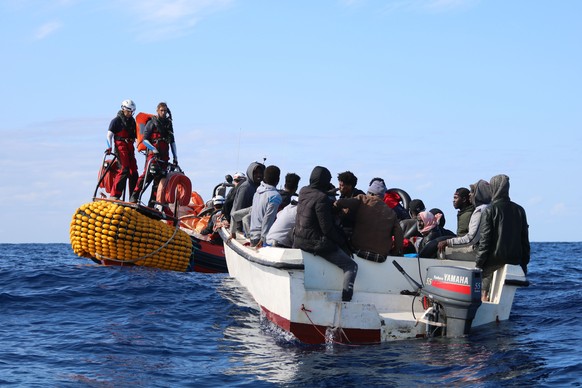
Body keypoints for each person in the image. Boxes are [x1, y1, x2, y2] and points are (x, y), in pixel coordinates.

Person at [294, 166, 358, 302]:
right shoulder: (322, 197)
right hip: (314, 243)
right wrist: (343, 244)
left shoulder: (303, 191)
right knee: (351, 266)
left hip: (298, 239)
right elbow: (327, 229)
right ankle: (346, 301)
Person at [476, 174, 530, 301]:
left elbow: (485, 241)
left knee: (483, 282)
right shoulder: (520, 210)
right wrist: (524, 265)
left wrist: (478, 264)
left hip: (493, 260)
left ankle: (484, 297)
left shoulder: (490, 210)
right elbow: (525, 241)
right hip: (514, 260)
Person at [334, 180, 404, 262]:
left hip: (359, 251)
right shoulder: (391, 212)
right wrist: (395, 252)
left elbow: (341, 202)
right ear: (382, 196)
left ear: (370, 192)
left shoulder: (363, 199)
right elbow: (399, 235)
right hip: (381, 257)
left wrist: (335, 206)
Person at [130, 102, 178, 205]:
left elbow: (172, 142)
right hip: (153, 155)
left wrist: (175, 157)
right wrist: (153, 149)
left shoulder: (169, 125)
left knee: (159, 180)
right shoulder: (152, 123)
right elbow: (145, 140)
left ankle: (152, 203)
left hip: (164, 156)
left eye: (165, 110)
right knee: (147, 176)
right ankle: (135, 196)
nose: (163, 112)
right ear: (157, 111)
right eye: (161, 110)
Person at [437, 179, 492, 255]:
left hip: (478, 251)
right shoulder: (491, 208)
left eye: (473, 191)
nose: (470, 194)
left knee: (439, 252)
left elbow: (470, 239)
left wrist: (448, 242)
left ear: (479, 194)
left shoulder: (479, 211)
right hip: (487, 250)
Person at [106, 99, 138, 200]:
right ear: (124, 109)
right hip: (120, 147)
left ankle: (133, 197)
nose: (130, 113)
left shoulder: (132, 122)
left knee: (134, 171)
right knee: (124, 169)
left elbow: (137, 137)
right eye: (129, 111)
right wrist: (109, 147)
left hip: (130, 147)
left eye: (132, 111)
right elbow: (109, 135)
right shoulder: (116, 121)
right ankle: (115, 195)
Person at [249, 165, 283, 247]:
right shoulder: (275, 196)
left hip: (252, 235)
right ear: (278, 179)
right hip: (261, 239)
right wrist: (263, 239)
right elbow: (268, 219)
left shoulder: (257, 192)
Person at [230, 162, 265, 237]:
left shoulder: (259, 187)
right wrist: (237, 230)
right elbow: (239, 208)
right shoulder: (246, 188)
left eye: (260, 173)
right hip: (241, 226)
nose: (259, 175)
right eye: (255, 173)